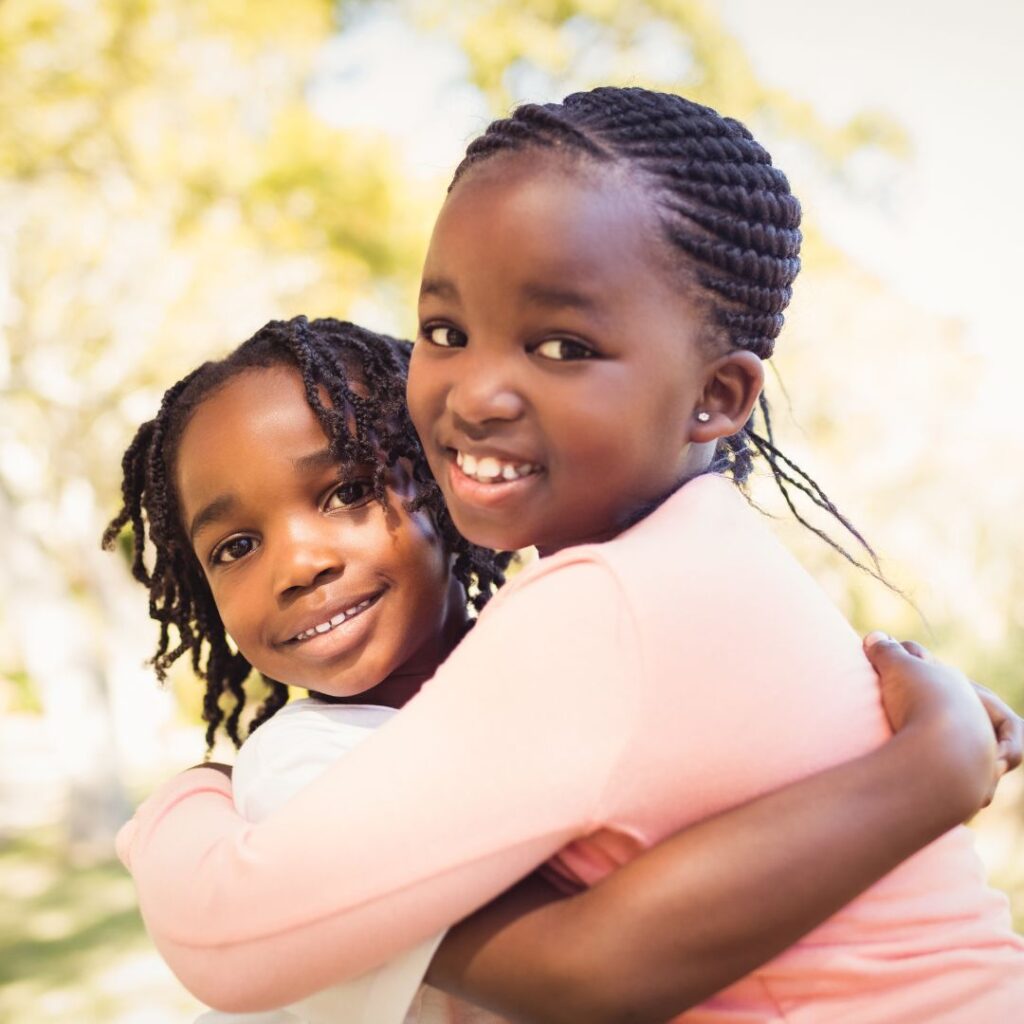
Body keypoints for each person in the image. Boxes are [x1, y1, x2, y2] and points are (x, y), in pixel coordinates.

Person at [113, 89, 1024, 1023]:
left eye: (561, 345)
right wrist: (936, 764)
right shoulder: (691, 555)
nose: (477, 394)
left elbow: (230, 938)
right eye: (446, 333)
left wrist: (184, 802)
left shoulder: (602, 605)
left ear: (717, 395)